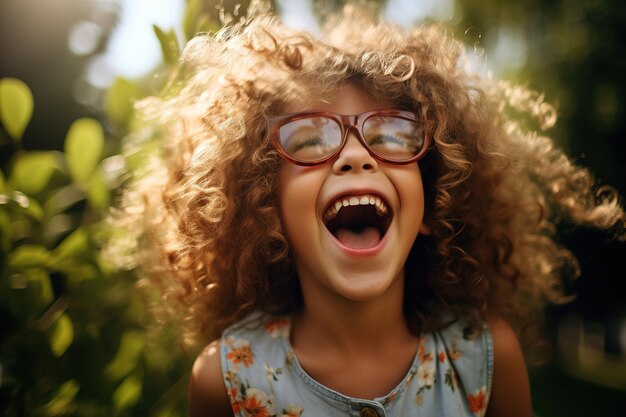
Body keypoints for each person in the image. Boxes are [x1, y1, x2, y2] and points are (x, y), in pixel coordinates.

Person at [116, 2, 625, 416]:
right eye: (312, 139)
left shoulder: (485, 359)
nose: (356, 156)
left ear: (432, 203)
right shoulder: (227, 380)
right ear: (266, 209)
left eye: (391, 136)